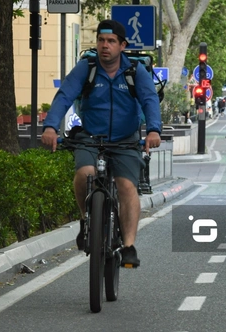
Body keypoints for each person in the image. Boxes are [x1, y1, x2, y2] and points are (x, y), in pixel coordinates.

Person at [41, 19, 162, 268]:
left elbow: (150, 100)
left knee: (127, 186)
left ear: (122, 45)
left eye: (110, 41)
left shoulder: (134, 72)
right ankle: (87, 220)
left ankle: (128, 246)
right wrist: (51, 127)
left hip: (125, 140)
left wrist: (153, 131)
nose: (104, 45)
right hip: (90, 137)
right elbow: (65, 96)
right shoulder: (87, 68)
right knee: (85, 174)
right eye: (100, 40)